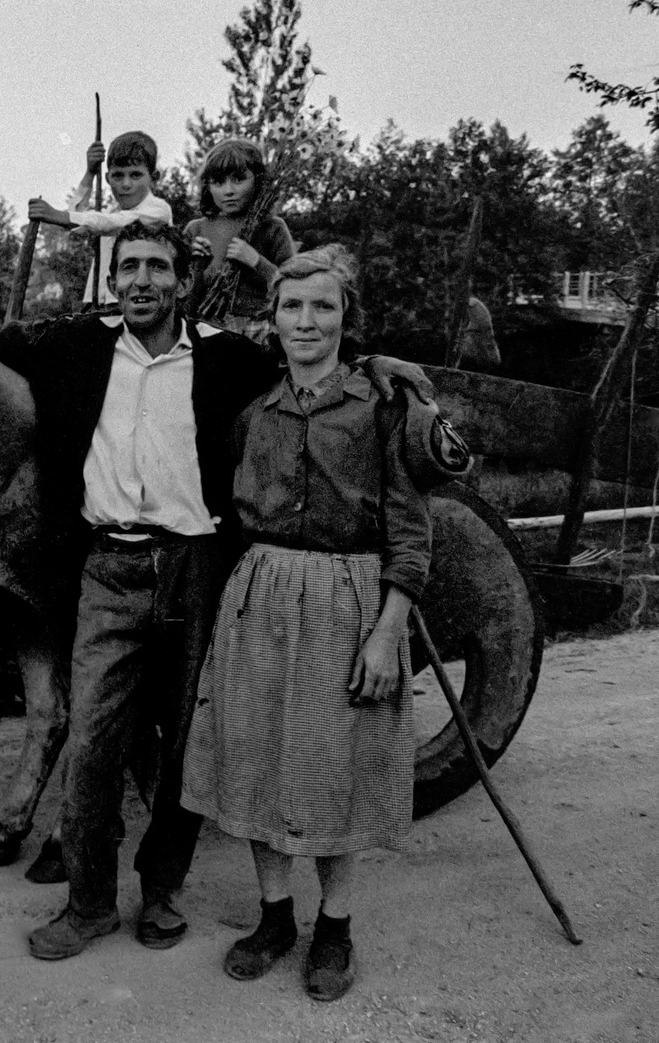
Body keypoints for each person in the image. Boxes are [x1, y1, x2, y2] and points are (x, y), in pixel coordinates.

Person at [0, 224, 431, 963]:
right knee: (90, 741)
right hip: (108, 570)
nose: (143, 280)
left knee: (188, 742)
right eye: (129, 268)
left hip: (196, 571)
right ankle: (87, 905)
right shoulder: (78, 344)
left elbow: (313, 351)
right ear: (112, 279)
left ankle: (161, 891)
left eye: (158, 266)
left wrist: (384, 366)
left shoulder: (225, 356)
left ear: (183, 281)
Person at [180, 245, 430, 1001]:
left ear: (345, 317)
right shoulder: (253, 411)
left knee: (334, 770)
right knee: (253, 761)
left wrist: (387, 631)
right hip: (257, 593)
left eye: (323, 306)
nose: (306, 320)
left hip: (346, 600)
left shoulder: (382, 407)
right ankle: (274, 917)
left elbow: (411, 531)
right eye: (292, 306)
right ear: (273, 318)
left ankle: (335, 928)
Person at [28, 130, 175, 307]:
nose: (126, 184)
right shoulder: (109, 212)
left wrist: (60, 216)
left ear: (154, 178)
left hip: (139, 303)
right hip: (98, 302)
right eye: (118, 175)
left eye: (135, 175)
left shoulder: (158, 211)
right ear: (107, 178)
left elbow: (109, 223)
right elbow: (78, 220)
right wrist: (90, 173)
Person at [185, 138, 295, 342]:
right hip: (208, 330)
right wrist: (197, 266)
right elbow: (186, 300)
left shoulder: (271, 227)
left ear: (258, 181)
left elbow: (293, 288)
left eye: (238, 179)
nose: (229, 191)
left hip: (259, 331)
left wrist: (255, 261)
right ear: (207, 186)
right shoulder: (197, 230)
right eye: (218, 182)